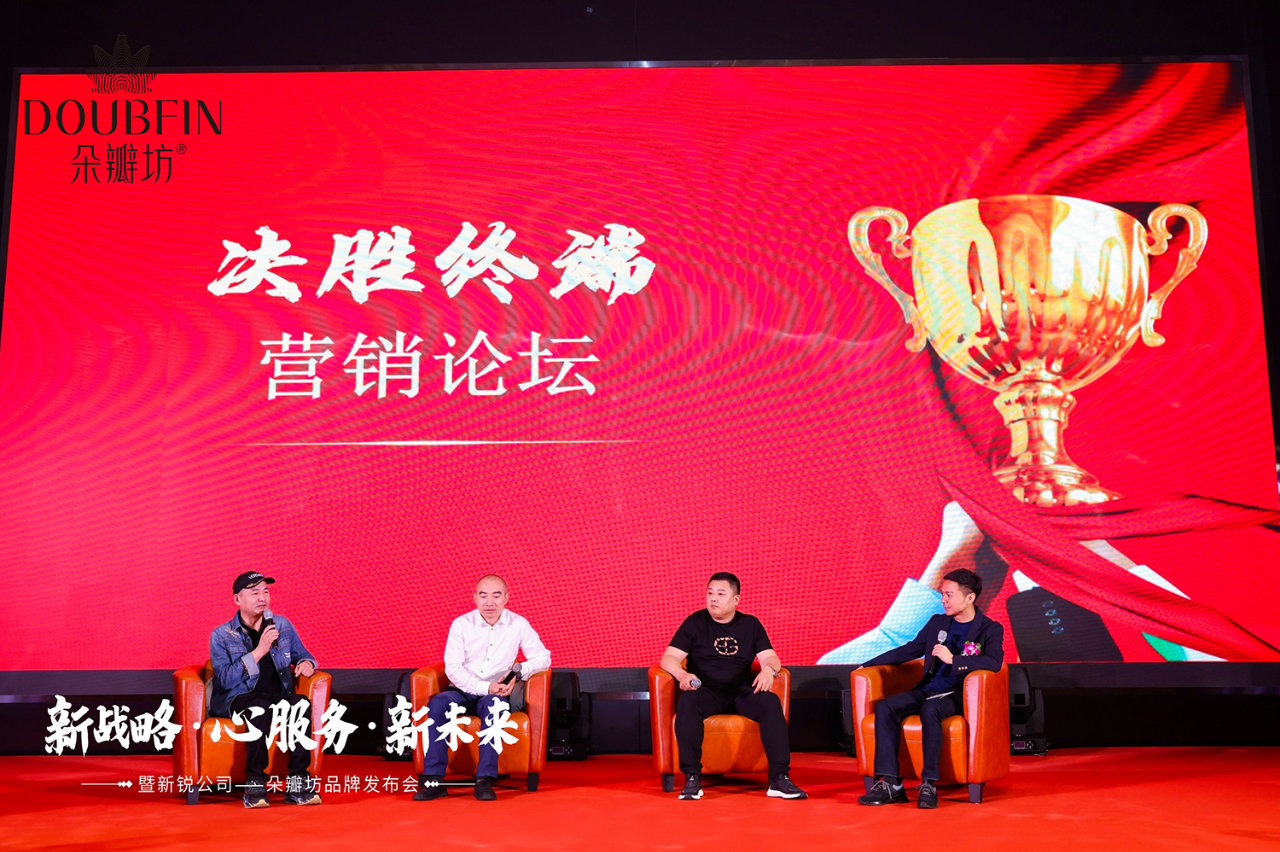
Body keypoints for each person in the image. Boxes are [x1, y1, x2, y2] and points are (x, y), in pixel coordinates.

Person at [856, 568, 1004, 809]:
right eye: (942, 594)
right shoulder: (938, 622)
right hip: (928, 689)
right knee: (886, 708)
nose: (943, 600)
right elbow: (911, 648)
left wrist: (954, 659)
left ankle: (929, 784)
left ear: (969, 597)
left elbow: (994, 662)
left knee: (930, 709)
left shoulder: (989, 628)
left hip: (958, 693)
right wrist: (869, 663)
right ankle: (891, 784)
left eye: (949, 595)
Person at [659, 572, 807, 801]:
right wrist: (681, 674)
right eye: (710, 593)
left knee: (769, 702)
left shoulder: (750, 625)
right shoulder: (695, 622)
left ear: (736, 599)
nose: (713, 599)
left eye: (720, 594)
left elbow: (771, 658)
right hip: (705, 691)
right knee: (688, 702)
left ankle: (779, 778)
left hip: (740, 691)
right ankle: (692, 777)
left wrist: (769, 670)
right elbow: (668, 658)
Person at [414, 574, 551, 802]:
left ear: (506, 598)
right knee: (437, 704)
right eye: (483, 595)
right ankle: (434, 781)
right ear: (475, 598)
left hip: (495, 694)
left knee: (495, 708)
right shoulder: (461, 624)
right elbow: (453, 668)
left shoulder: (518, 624)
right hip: (461, 690)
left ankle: (484, 780)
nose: (490, 602)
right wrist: (485, 686)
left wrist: (518, 672)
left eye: (496, 595)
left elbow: (543, 657)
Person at [208, 571, 321, 808]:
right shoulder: (221, 635)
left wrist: (307, 663)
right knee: (259, 706)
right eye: (255, 593)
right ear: (237, 599)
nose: (262, 597)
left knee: (300, 703)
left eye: (266, 591)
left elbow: (303, 654)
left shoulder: (281, 625)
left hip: (276, 696)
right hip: (238, 698)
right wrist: (259, 651)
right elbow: (225, 680)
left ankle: (298, 784)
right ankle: (255, 784)